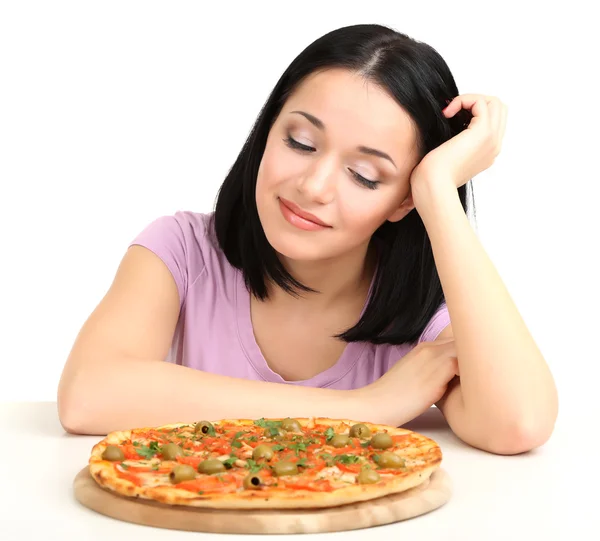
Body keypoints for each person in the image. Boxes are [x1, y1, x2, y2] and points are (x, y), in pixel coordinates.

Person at [57, 24, 558, 455]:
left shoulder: (427, 319)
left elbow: (520, 423)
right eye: (300, 142)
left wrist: (437, 189)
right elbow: (87, 396)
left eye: (365, 174)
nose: (313, 187)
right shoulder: (181, 251)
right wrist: (364, 408)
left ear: (403, 202)